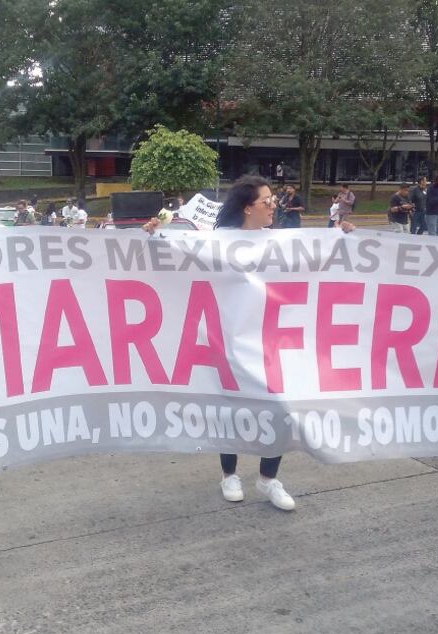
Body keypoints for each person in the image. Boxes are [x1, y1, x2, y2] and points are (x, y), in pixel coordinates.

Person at [142, 176, 353, 511]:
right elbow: (174, 255)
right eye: (266, 202)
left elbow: (318, 256)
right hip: (227, 340)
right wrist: (154, 235)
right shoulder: (216, 242)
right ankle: (229, 475)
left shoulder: (280, 242)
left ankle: (268, 479)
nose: (273, 206)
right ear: (246, 208)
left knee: (280, 408)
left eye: (273, 201)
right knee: (231, 408)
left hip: (271, 343)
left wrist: (342, 238)